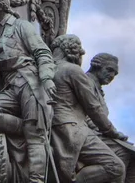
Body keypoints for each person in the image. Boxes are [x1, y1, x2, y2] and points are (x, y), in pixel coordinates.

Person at [0, 0, 56, 183]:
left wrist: (46, 78)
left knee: (35, 137)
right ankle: (31, 129)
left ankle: (36, 179)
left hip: (30, 82)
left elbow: (43, 53)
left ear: (0, 6)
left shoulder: (22, 26)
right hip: (11, 88)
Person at [51, 35, 127, 183]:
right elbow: (93, 108)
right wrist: (112, 132)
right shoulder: (72, 70)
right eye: (79, 51)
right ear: (72, 51)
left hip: (56, 126)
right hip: (73, 129)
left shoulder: (45, 70)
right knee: (116, 167)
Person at [86, 53, 135, 183]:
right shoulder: (85, 81)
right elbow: (88, 114)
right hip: (87, 132)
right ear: (96, 66)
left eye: (115, 74)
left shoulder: (98, 88)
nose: (112, 76)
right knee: (123, 154)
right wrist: (111, 133)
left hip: (100, 133)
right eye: (109, 70)